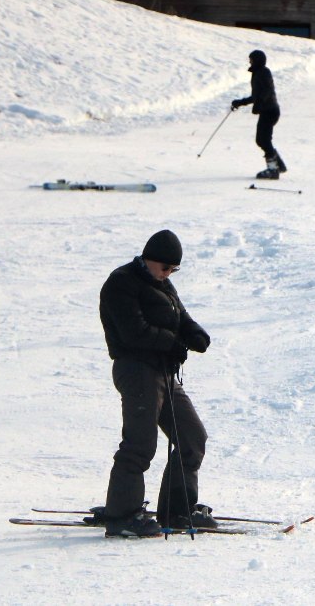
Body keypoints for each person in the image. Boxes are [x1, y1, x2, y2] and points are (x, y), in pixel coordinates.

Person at [97, 230, 213, 537]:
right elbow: (132, 331)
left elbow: (180, 314)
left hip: (163, 372)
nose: (168, 275)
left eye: (173, 270)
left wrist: (194, 334)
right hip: (136, 371)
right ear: (149, 258)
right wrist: (171, 342)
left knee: (191, 437)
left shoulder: (161, 282)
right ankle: (122, 515)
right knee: (140, 443)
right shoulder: (121, 282)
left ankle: (177, 508)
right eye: (165, 268)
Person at [231, 50, 286, 180]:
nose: (249, 61)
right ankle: (278, 165)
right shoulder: (257, 73)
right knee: (261, 140)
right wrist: (240, 102)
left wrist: (260, 103)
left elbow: (267, 91)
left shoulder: (264, 72)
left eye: (251, 59)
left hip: (270, 111)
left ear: (257, 60)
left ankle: (273, 169)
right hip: (266, 110)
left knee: (264, 140)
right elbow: (256, 96)